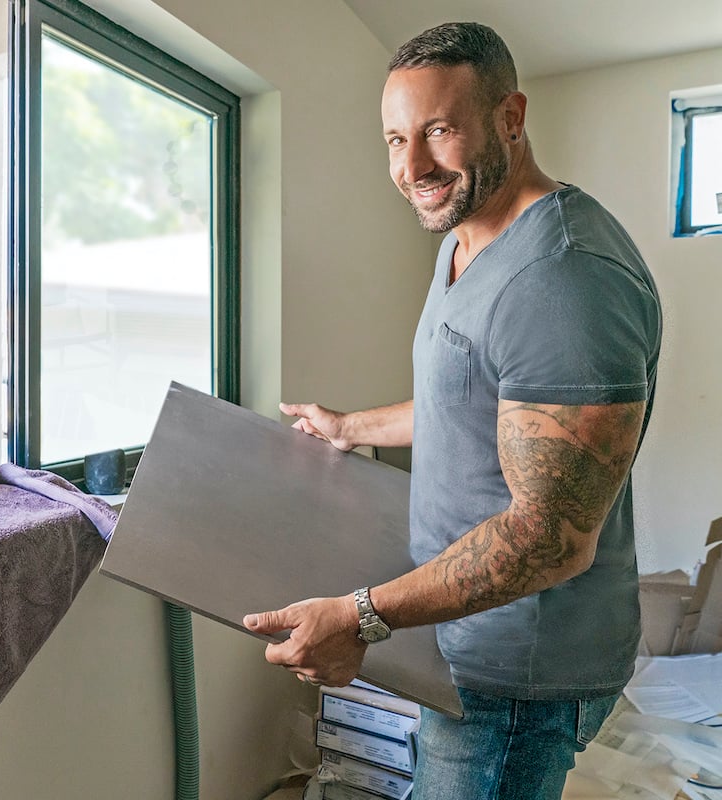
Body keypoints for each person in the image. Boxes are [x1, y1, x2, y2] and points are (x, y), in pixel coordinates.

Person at [242, 22, 662, 800]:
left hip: (518, 682)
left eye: (438, 131)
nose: (411, 168)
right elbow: (469, 400)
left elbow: (550, 537)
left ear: (511, 117)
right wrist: (349, 428)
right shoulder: (464, 238)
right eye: (395, 139)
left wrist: (361, 616)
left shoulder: (565, 281)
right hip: (462, 641)